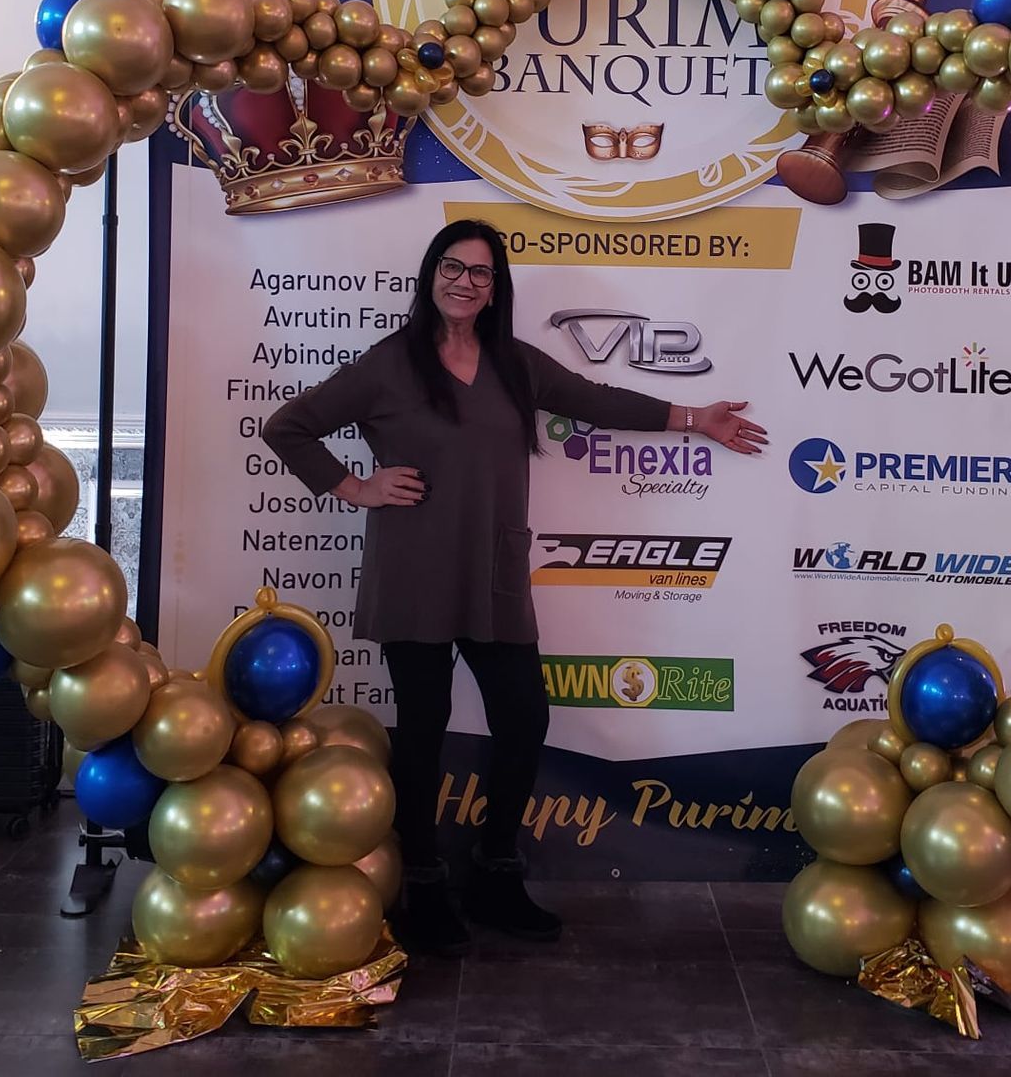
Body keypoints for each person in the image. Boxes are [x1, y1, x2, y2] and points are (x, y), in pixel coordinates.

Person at [263, 218, 766, 954]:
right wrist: (355, 486)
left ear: (496, 288)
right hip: (414, 570)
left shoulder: (514, 364)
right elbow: (288, 427)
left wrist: (696, 419)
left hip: (494, 570)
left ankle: (496, 874)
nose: (465, 282)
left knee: (524, 716)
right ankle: (423, 883)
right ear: (431, 275)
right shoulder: (389, 364)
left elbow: (598, 399)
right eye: (453, 267)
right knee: (424, 728)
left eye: (481, 272)